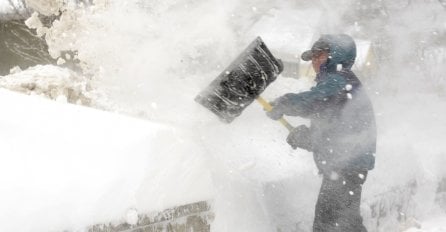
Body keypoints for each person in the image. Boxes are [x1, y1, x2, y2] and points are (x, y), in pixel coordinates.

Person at [266, 34, 376, 232]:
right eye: (313, 57)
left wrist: (285, 103)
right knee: (344, 224)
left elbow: (315, 101)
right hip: (346, 164)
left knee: (330, 226)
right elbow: (333, 131)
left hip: (346, 164)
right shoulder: (340, 83)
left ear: (336, 56)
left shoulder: (339, 80)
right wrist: (307, 138)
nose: (315, 62)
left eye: (320, 55)